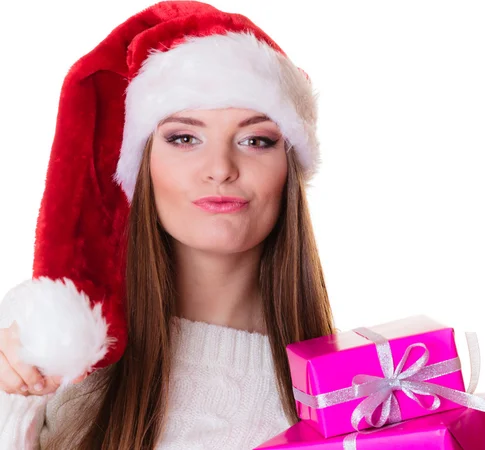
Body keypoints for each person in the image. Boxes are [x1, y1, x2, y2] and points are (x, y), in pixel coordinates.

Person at [0, 1, 335, 449]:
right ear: (144, 166)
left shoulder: (356, 396)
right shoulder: (50, 361)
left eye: (256, 140)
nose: (219, 168)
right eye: (184, 138)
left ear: (289, 169)